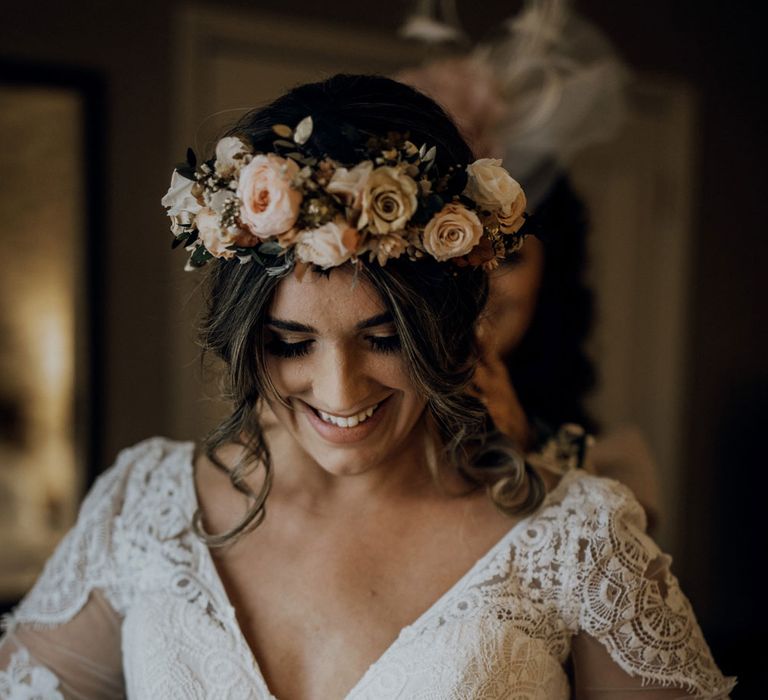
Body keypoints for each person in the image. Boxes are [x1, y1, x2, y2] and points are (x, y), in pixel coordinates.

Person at [0, 75, 734, 699]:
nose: (339, 388)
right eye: (291, 344)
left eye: (384, 339)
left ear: (450, 327)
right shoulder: (145, 507)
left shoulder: (581, 538)